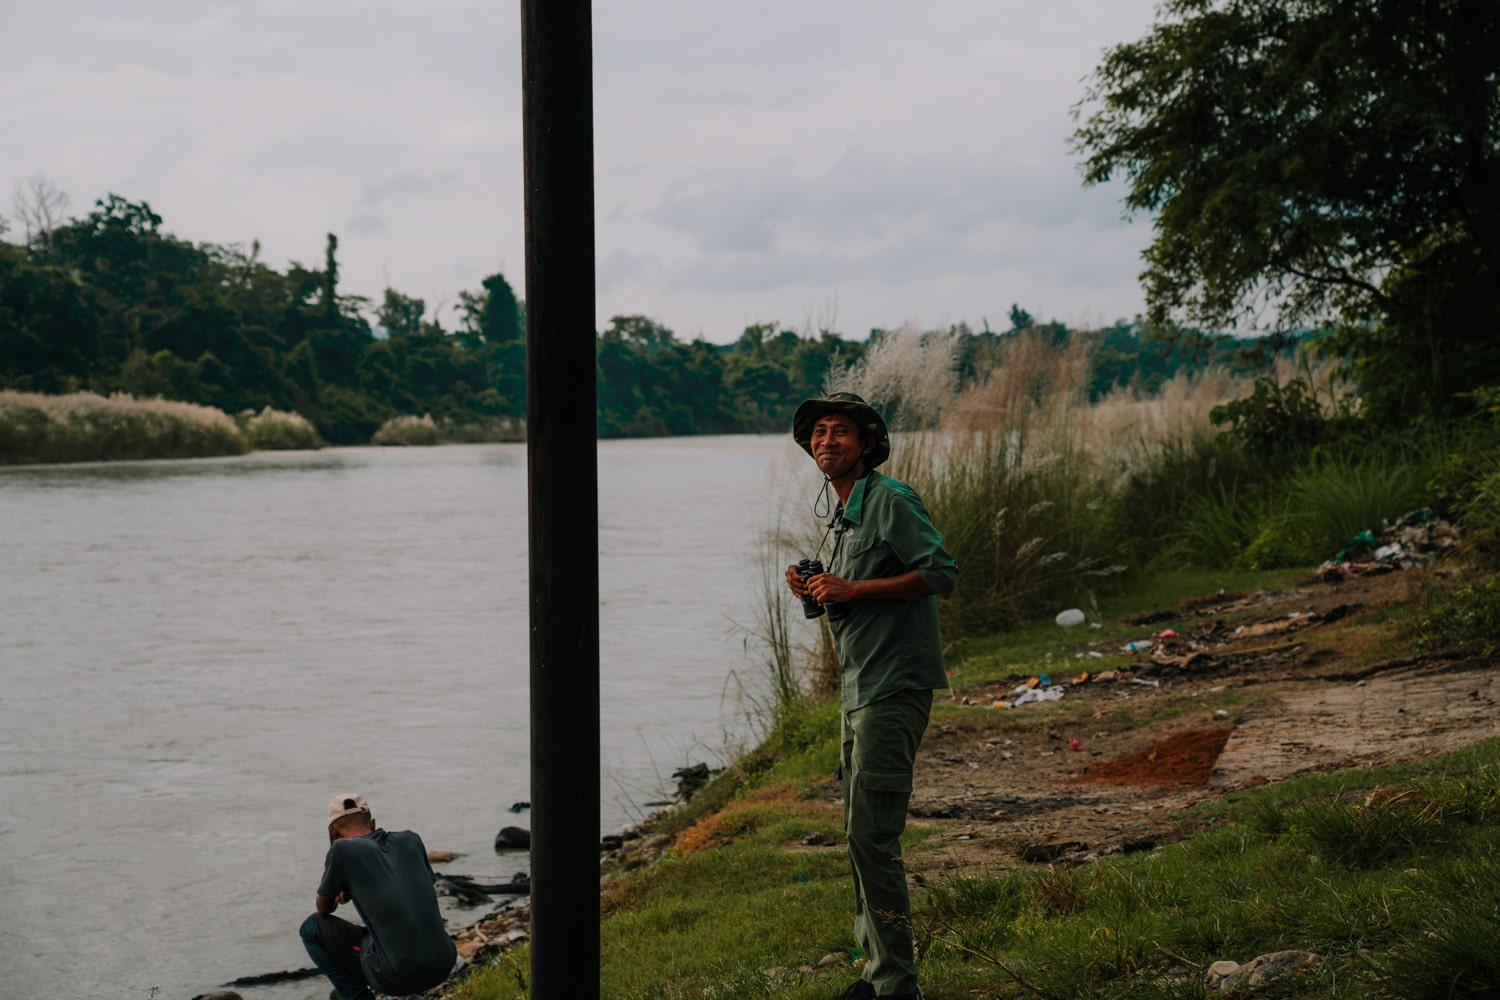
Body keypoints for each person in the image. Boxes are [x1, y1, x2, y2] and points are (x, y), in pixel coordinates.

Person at [784, 392, 956, 1000]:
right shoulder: (841, 511)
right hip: (860, 687)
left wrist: (854, 586)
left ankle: (896, 985)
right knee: (859, 830)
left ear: (865, 444)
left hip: (895, 684)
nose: (827, 441)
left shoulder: (890, 500)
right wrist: (815, 589)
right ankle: (874, 970)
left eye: (840, 432)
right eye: (819, 434)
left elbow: (940, 573)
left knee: (873, 837)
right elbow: (848, 595)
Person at [299, 793, 457, 1000]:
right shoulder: (411, 839)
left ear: (333, 832)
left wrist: (340, 889)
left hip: (396, 976)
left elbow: (324, 908)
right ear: (372, 824)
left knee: (310, 928)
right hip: (444, 962)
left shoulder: (341, 849)